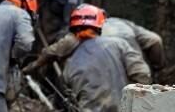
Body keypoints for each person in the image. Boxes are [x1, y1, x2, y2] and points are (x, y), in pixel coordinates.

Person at [61, 4, 151, 112]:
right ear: (99, 25)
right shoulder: (119, 44)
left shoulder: (70, 63)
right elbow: (142, 74)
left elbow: (69, 93)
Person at [23, 15, 165, 74]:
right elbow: (155, 40)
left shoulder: (85, 32)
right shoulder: (123, 24)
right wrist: (157, 68)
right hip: (137, 72)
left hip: (102, 80)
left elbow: (51, 52)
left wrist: (31, 67)